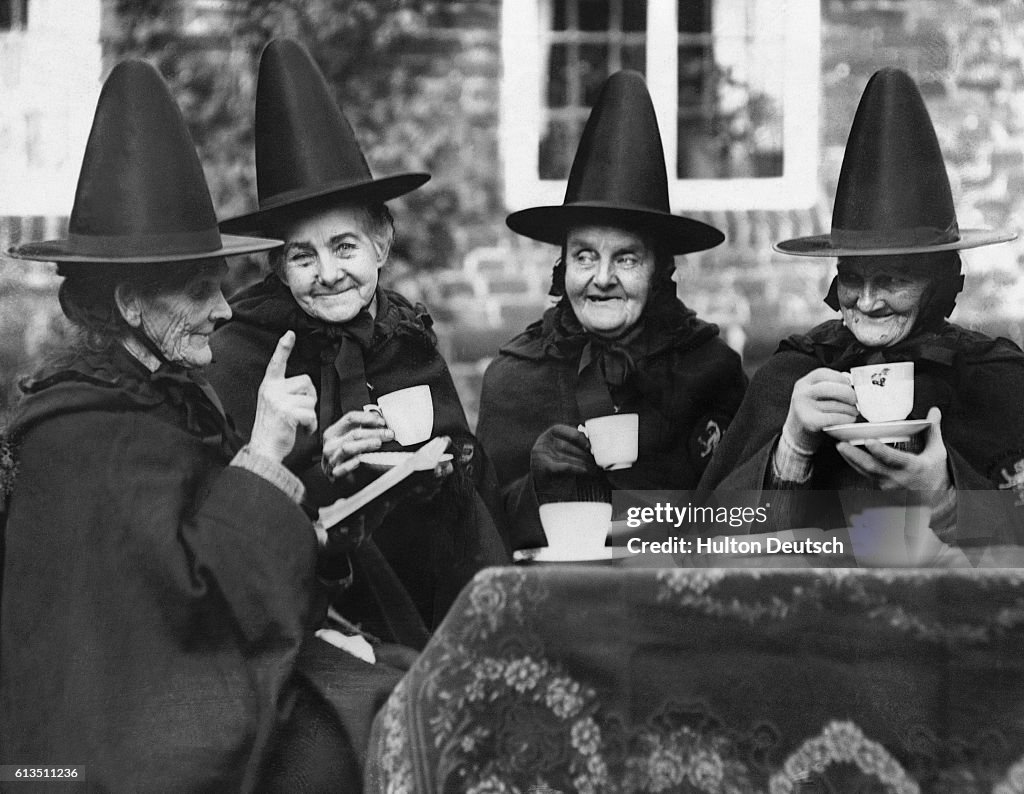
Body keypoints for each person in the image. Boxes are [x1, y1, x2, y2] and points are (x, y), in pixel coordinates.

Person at [0, 60, 411, 791]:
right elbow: (193, 606)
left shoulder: (156, 392)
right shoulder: (88, 432)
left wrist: (307, 478)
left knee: (403, 680)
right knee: (373, 726)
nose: (224, 311)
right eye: (199, 290)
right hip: (110, 746)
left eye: (220, 287)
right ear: (131, 303)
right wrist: (263, 453)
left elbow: (213, 547)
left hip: (184, 690)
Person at [209, 39, 508, 641]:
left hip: (427, 599)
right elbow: (233, 526)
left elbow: (467, 488)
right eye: (302, 256)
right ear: (279, 266)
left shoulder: (406, 335)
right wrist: (322, 470)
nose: (327, 272)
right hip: (317, 619)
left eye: (344, 246)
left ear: (381, 245)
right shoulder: (240, 351)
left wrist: (440, 469)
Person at [698, 68, 1024, 554]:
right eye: (852, 277)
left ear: (937, 282)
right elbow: (698, 542)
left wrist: (947, 496)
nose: (867, 302)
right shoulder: (794, 373)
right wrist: (790, 449)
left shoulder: (996, 379)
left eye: (892, 279)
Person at [476, 70, 747, 550]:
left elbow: (745, 520)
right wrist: (536, 481)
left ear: (660, 271)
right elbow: (478, 538)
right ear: (563, 267)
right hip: (553, 609)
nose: (601, 278)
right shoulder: (514, 377)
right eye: (585, 256)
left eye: (626, 258)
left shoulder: (710, 368)